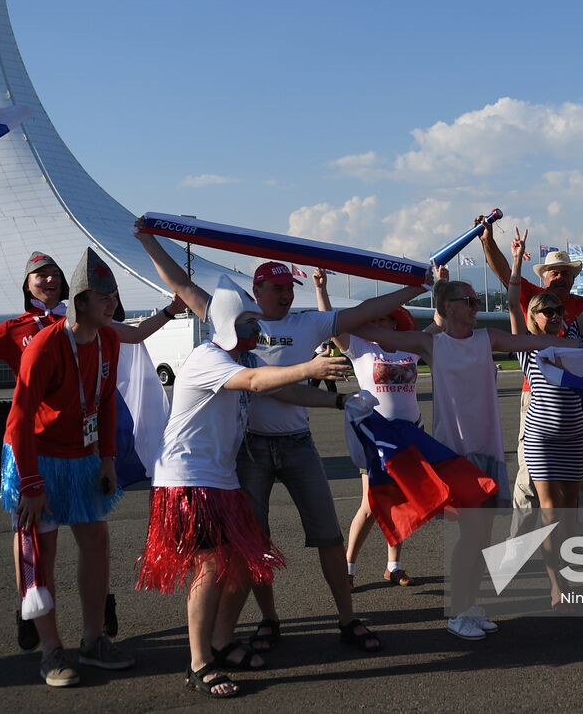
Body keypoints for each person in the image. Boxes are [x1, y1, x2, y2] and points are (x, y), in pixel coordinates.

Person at [137, 230, 425, 655]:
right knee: (254, 544)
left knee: (326, 533)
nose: (285, 295)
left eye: (290, 288)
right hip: (248, 449)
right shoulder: (231, 329)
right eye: (277, 288)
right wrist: (148, 240)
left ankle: (347, 619)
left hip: (297, 443)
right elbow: (182, 285)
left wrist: (412, 288)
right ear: (256, 291)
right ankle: (267, 621)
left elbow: (362, 311)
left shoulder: (301, 324)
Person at [0, 249, 184, 651]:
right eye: (38, 275)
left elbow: (130, 338)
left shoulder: (97, 326)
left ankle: (95, 616)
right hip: (35, 448)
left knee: (94, 539)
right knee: (37, 538)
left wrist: (169, 311)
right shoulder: (17, 330)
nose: (47, 280)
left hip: (83, 448)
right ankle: (36, 618)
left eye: (54, 274)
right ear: (26, 285)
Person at [139, 274, 351, 698]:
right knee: (213, 566)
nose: (258, 330)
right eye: (249, 322)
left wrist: (338, 400)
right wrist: (312, 367)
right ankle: (199, 663)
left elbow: (283, 392)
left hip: (220, 479)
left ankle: (221, 640)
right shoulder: (209, 358)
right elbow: (257, 386)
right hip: (188, 480)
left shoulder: (247, 361)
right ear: (227, 326)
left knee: (236, 564)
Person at [352, 277, 583, 639]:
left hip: (488, 450)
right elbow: (363, 326)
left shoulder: (487, 339)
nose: (476, 306)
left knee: (483, 536)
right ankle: (458, 610)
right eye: (469, 300)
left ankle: (469, 604)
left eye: (476, 300)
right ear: (448, 306)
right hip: (454, 454)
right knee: (471, 535)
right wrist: (409, 290)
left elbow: (536, 339)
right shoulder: (429, 343)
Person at [1, 248, 134, 687]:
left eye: (113, 298)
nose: (112, 306)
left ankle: (93, 640)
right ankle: (51, 651)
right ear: (80, 302)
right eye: (104, 299)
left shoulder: (109, 339)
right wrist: (32, 484)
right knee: (43, 550)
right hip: (37, 458)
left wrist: (109, 458)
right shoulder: (44, 346)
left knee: (96, 542)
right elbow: (19, 420)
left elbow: (107, 402)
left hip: (85, 457)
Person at [477, 219, 583, 540]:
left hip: (575, 402)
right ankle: (518, 545)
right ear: (544, 277)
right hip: (536, 401)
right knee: (529, 484)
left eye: (566, 272)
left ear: (574, 277)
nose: (559, 277)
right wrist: (488, 242)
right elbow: (505, 278)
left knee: (577, 484)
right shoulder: (533, 298)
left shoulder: (577, 309)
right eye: (554, 271)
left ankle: (572, 541)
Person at [506, 228, 583, 606]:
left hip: (575, 437)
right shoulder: (525, 344)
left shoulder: (573, 337)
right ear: (532, 316)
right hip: (541, 439)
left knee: (568, 512)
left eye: (556, 310)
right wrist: (516, 258)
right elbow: (510, 293)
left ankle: (568, 568)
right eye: (545, 310)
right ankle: (556, 585)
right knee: (551, 512)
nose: (553, 315)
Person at [312, 269, 422, 589]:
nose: (377, 324)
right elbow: (330, 323)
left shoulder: (410, 348)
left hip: (409, 432)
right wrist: (322, 290)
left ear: (394, 325)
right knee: (371, 505)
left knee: (400, 503)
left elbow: (442, 325)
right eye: (373, 321)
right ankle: (347, 567)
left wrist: (439, 285)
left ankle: (394, 566)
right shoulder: (360, 349)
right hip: (373, 434)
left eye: (383, 320)